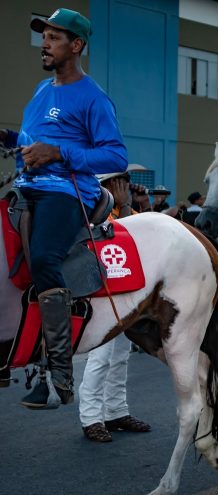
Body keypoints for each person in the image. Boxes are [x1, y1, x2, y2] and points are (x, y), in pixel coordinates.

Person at [0, 8, 128, 408]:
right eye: (44, 36)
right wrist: (9, 137)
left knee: (43, 259)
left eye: (54, 37)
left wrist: (57, 152)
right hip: (27, 186)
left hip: (69, 192)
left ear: (76, 46)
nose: (45, 43)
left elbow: (115, 157)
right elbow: (31, 139)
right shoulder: (41, 91)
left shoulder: (94, 98)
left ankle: (58, 375)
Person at [77, 167, 151, 442]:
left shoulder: (123, 208)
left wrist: (134, 205)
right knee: (100, 357)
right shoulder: (91, 209)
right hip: (99, 291)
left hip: (123, 291)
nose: (124, 187)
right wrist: (124, 206)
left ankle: (116, 411)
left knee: (120, 355)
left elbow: (139, 239)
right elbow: (113, 236)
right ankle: (91, 418)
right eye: (119, 183)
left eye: (126, 183)